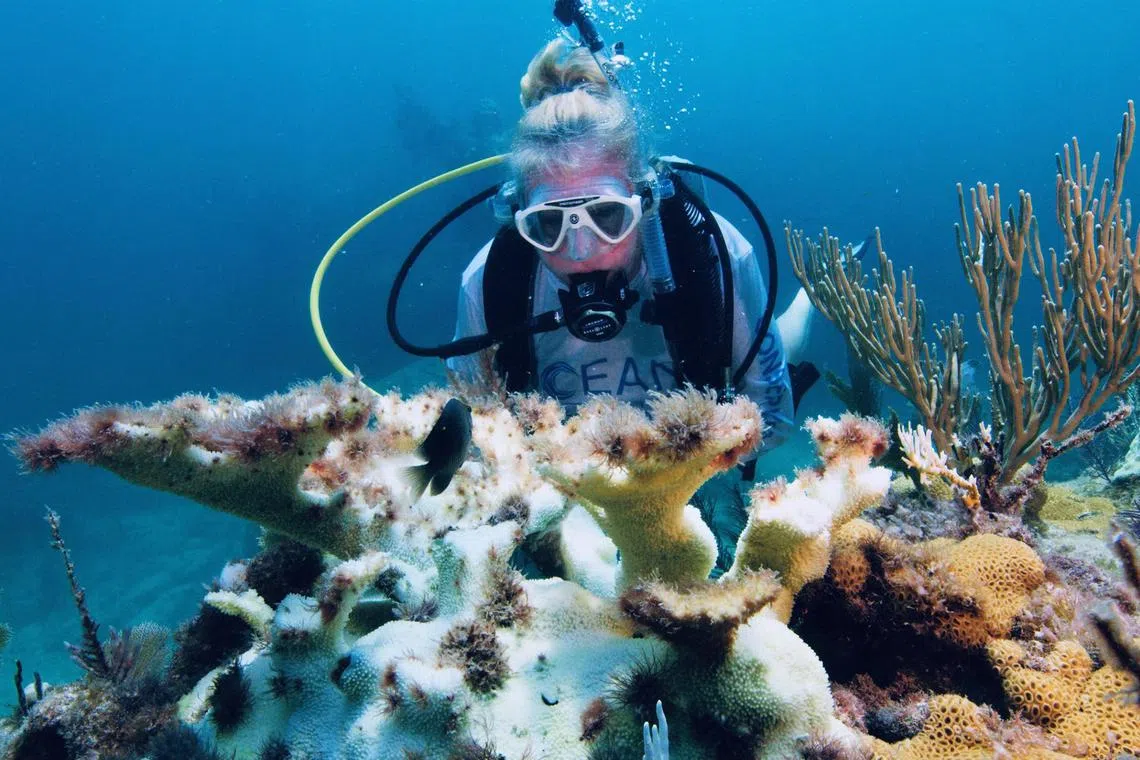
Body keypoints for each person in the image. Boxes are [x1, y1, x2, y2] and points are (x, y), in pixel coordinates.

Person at [447, 37, 808, 456]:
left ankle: (807, 303)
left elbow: (774, 419)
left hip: (689, 476)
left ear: (644, 201)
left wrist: (662, 484)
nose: (580, 251)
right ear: (519, 214)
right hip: (565, 488)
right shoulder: (488, 281)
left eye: (606, 215)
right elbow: (471, 439)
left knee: (778, 339)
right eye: (548, 224)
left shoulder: (717, 254)